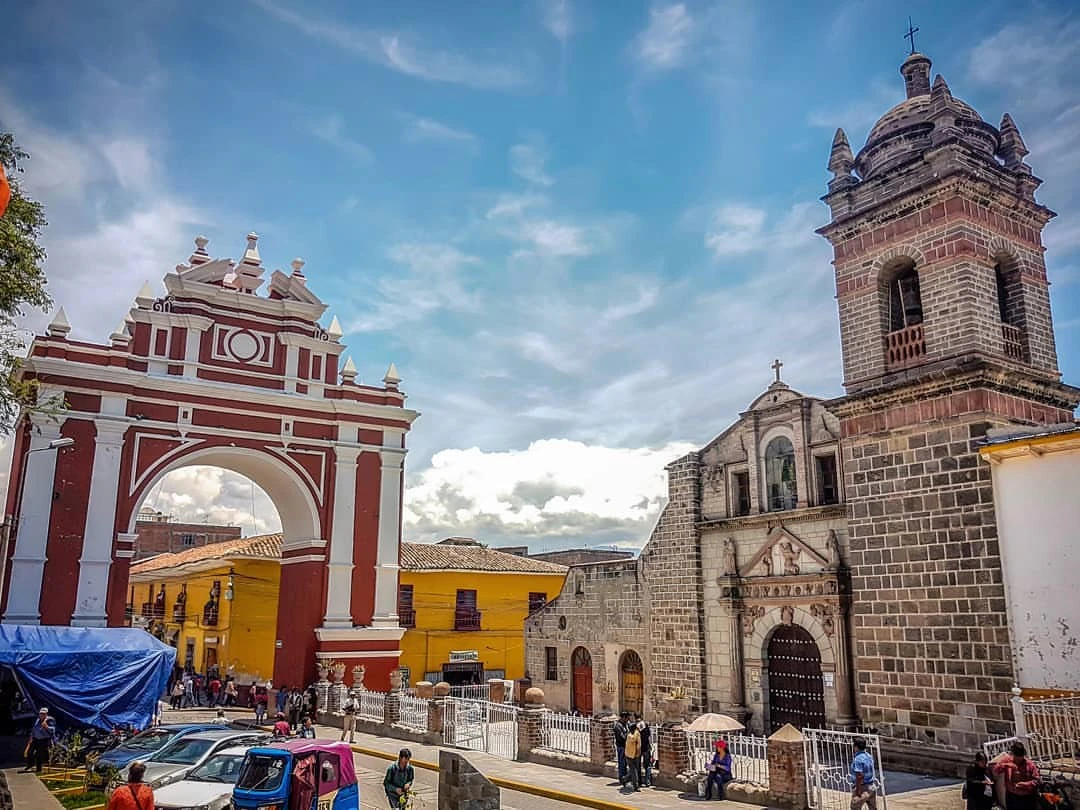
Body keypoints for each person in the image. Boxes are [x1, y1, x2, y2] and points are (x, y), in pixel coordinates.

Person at [992, 741, 1040, 810]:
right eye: (1017, 757)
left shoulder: (1029, 765)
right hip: (1012, 797)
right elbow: (995, 771)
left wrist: (1023, 784)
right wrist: (1005, 765)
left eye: (1021, 757)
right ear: (1013, 754)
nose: (1019, 760)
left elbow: (1036, 781)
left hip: (1027, 798)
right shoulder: (1007, 761)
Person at [849, 737, 878, 810]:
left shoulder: (858, 759)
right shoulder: (869, 756)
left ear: (855, 747)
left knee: (855, 807)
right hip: (871, 786)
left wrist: (858, 791)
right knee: (872, 808)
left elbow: (859, 775)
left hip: (862, 788)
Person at [25, 708, 55, 773]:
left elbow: (52, 730)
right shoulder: (37, 720)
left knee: (39, 754)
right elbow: (34, 729)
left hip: (44, 739)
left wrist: (46, 726)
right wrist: (31, 737)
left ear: (46, 714)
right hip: (35, 738)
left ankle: (39, 769)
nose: (41, 715)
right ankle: (31, 763)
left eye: (43, 714)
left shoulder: (50, 720)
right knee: (29, 752)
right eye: (41, 713)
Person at [624, 721, 642, 791]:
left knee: (633, 770)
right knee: (634, 771)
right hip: (632, 755)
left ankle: (625, 779)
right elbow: (637, 744)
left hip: (631, 754)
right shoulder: (634, 735)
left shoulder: (630, 734)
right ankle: (636, 786)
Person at [612, 712, 629, 786]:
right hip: (621, 747)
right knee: (622, 763)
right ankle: (622, 778)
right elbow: (622, 737)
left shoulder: (625, 725)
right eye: (627, 718)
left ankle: (624, 778)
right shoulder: (618, 726)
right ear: (623, 718)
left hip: (625, 746)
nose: (628, 720)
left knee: (624, 763)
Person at [637, 719, 653, 788]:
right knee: (647, 766)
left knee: (638, 765)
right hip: (646, 748)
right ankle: (648, 781)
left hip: (639, 748)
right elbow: (649, 736)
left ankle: (639, 781)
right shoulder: (646, 727)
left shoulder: (636, 728)